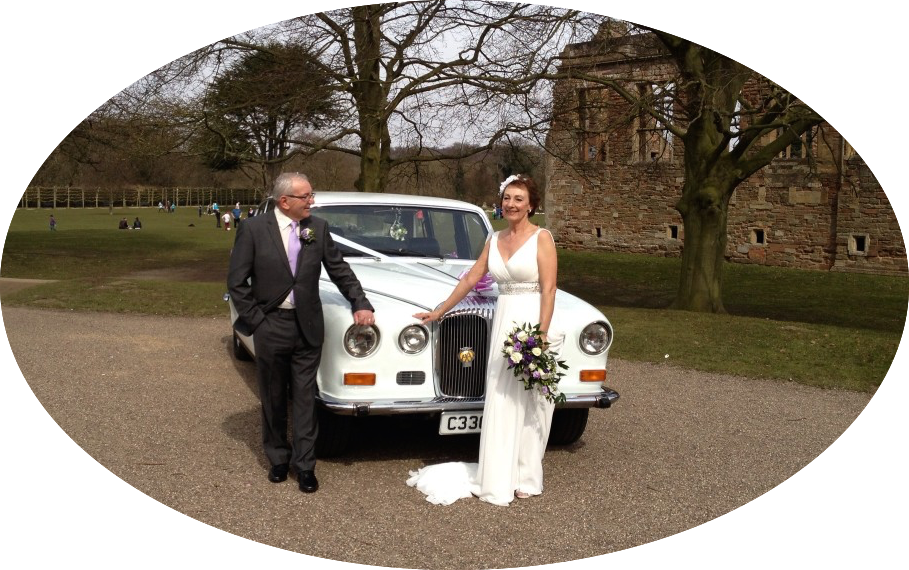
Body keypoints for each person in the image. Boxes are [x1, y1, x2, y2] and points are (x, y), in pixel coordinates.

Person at [407, 174, 562, 506]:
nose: (511, 204)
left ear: (531, 205)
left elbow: (549, 288)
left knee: (532, 402)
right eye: (507, 198)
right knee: (502, 399)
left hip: (532, 321)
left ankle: (527, 477)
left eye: (519, 199)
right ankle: (498, 476)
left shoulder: (542, 238)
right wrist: (440, 310)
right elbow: (472, 278)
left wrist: (542, 335)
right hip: (504, 319)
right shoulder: (494, 239)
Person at [227, 172, 375, 493]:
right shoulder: (252, 229)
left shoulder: (317, 228)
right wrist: (257, 321)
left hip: (308, 325)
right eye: (306, 196)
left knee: (305, 397)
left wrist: (360, 302)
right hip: (271, 326)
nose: (312, 201)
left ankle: (305, 465)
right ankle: (278, 458)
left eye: (311, 194)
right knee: (274, 396)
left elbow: (339, 269)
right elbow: (237, 283)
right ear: (284, 201)